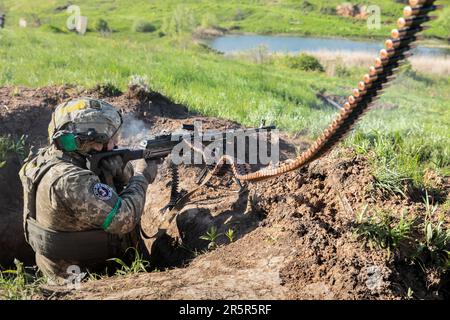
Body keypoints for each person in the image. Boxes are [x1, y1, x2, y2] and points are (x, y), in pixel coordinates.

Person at [19, 98, 157, 284]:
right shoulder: (71, 180)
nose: (115, 145)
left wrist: (117, 172)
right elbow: (123, 219)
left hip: (57, 268)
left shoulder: (44, 159)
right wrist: (141, 176)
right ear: (93, 142)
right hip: (85, 280)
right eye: (112, 139)